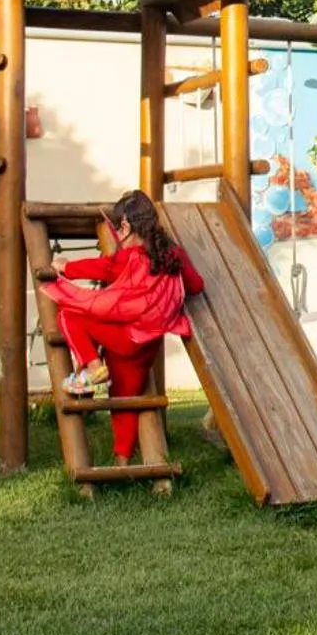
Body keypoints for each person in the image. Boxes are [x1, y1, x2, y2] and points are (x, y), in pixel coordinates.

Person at [36, 190, 203, 464]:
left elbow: (102, 268)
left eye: (117, 230)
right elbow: (196, 285)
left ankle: (92, 367)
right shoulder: (174, 255)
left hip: (123, 337)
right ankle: (122, 459)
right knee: (125, 396)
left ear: (125, 227)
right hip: (147, 345)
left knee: (69, 315)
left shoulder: (130, 258)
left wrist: (66, 266)